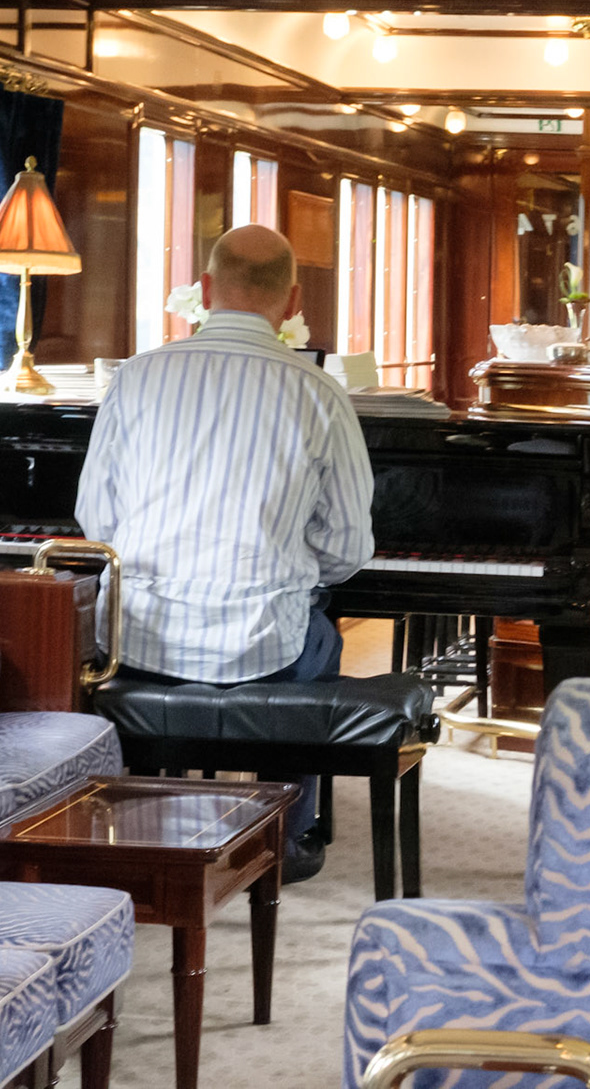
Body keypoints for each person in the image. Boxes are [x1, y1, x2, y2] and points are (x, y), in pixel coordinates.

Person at [77, 223, 374, 882]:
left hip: (141, 640)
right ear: (293, 302)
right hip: (264, 647)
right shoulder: (320, 392)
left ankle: (141, 818)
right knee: (318, 627)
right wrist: (288, 573)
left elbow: (97, 522)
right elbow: (349, 546)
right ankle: (287, 835)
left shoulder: (137, 377)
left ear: (206, 289)